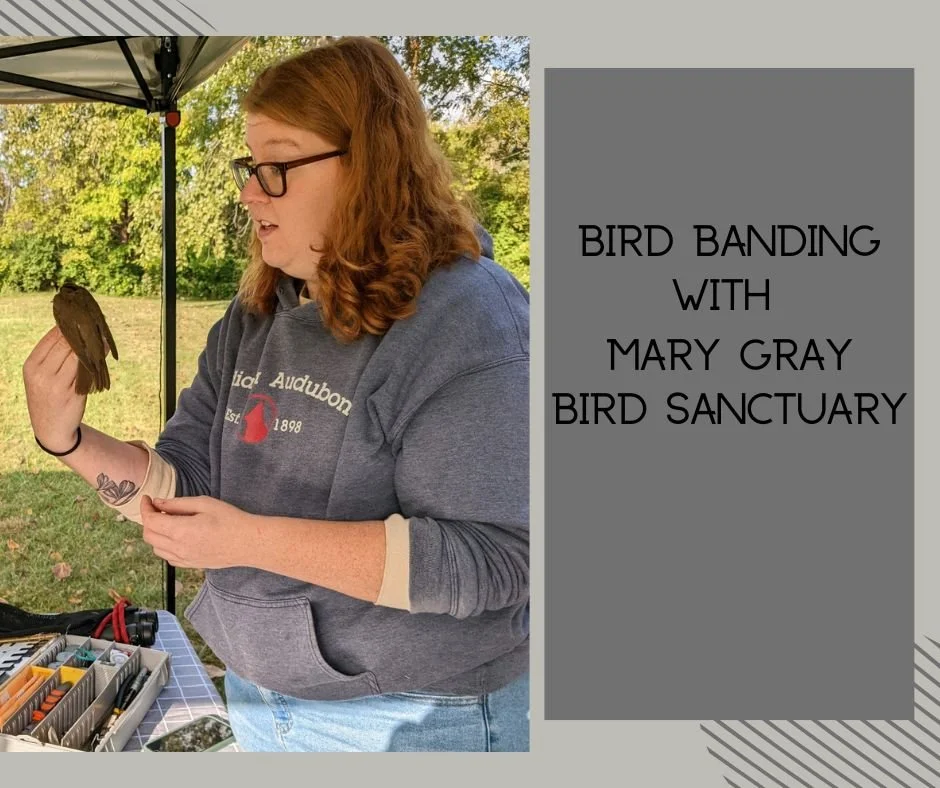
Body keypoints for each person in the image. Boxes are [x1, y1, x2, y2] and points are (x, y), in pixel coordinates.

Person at [21, 36, 529, 752]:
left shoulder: (467, 316)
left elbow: (493, 561)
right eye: (249, 166)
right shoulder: (257, 312)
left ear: (370, 166)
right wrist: (65, 439)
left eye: (277, 167)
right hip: (259, 699)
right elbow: (183, 483)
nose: (249, 191)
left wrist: (248, 539)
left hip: (410, 717)